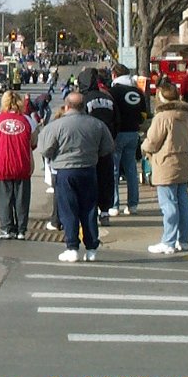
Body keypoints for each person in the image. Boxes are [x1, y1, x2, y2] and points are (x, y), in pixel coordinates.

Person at [38, 92, 114, 262]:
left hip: (64, 171)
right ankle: (92, 248)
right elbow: (107, 148)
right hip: (89, 169)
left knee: (68, 210)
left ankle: (72, 247)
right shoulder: (97, 125)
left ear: (67, 106)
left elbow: (45, 150)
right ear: (84, 106)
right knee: (89, 209)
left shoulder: (55, 126)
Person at [0, 90, 39, 240]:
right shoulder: (28, 120)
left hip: (1, 164)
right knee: (22, 199)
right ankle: (21, 230)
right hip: (22, 165)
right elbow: (34, 143)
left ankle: (6, 228)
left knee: (4, 198)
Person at [141, 82, 188, 254]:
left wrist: (144, 147)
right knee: (183, 202)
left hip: (165, 163)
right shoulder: (185, 115)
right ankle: (183, 240)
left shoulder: (162, 117)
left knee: (168, 203)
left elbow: (152, 142)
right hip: (183, 160)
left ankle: (168, 241)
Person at [78, 67, 119, 225]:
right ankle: (105, 211)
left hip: (88, 146)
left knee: (89, 179)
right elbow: (117, 120)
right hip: (107, 145)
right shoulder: (108, 97)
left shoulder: (83, 100)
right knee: (106, 178)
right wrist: (112, 138)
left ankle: (90, 211)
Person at [109, 64, 146, 218]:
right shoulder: (137, 92)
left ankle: (114, 205)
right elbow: (144, 114)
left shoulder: (113, 92)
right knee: (131, 170)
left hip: (118, 134)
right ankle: (133, 205)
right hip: (133, 133)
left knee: (114, 171)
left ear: (114, 75)